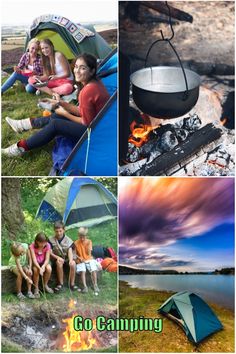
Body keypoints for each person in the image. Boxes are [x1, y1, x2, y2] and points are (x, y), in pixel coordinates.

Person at [2, 53, 110, 157]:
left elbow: (87, 123)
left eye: (82, 68)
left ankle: (20, 148)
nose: (77, 71)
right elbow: (82, 111)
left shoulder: (88, 90)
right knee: (57, 116)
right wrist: (60, 103)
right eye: (76, 66)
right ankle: (23, 125)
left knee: (56, 124)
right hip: (99, 126)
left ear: (92, 71)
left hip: (96, 134)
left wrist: (65, 113)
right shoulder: (94, 83)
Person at [49, 221, 77, 292]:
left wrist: (71, 260)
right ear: (54, 231)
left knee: (73, 264)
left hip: (67, 258)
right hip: (56, 258)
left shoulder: (68, 240)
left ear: (64, 230)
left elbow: (70, 251)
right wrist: (57, 258)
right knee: (59, 263)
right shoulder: (50, 240)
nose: (58, 233)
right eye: (57, 231)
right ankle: (60, 284)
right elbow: (50, 252)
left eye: (60, 231)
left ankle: (72, 284)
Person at [74, 227, 100, 293]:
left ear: (86, 236)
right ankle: (85, 286)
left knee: (93, 269)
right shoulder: (76, 243)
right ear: (78, 236)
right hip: (80, 260)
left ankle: (95, 285)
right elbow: (74, 253)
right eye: (80, 237)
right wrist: (80, 258)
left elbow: (89, 253)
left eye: (84, 237)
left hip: (88, 259)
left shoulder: (89, 241)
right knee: (82, 271)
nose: (82, 239)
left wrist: (88, 246)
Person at [29, 232, 54, 298]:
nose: (43, 244)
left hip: (44, 262)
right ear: (37, 241)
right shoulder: (32, 246)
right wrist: (39, 268)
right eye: (41, 243)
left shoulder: (48, 245)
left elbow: (47, 258)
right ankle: (36, 288)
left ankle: (45, 285)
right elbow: (34, 260)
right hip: (36, 263)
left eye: (44, 242)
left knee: (49, 268)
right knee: (35, 270)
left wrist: (43, 266)